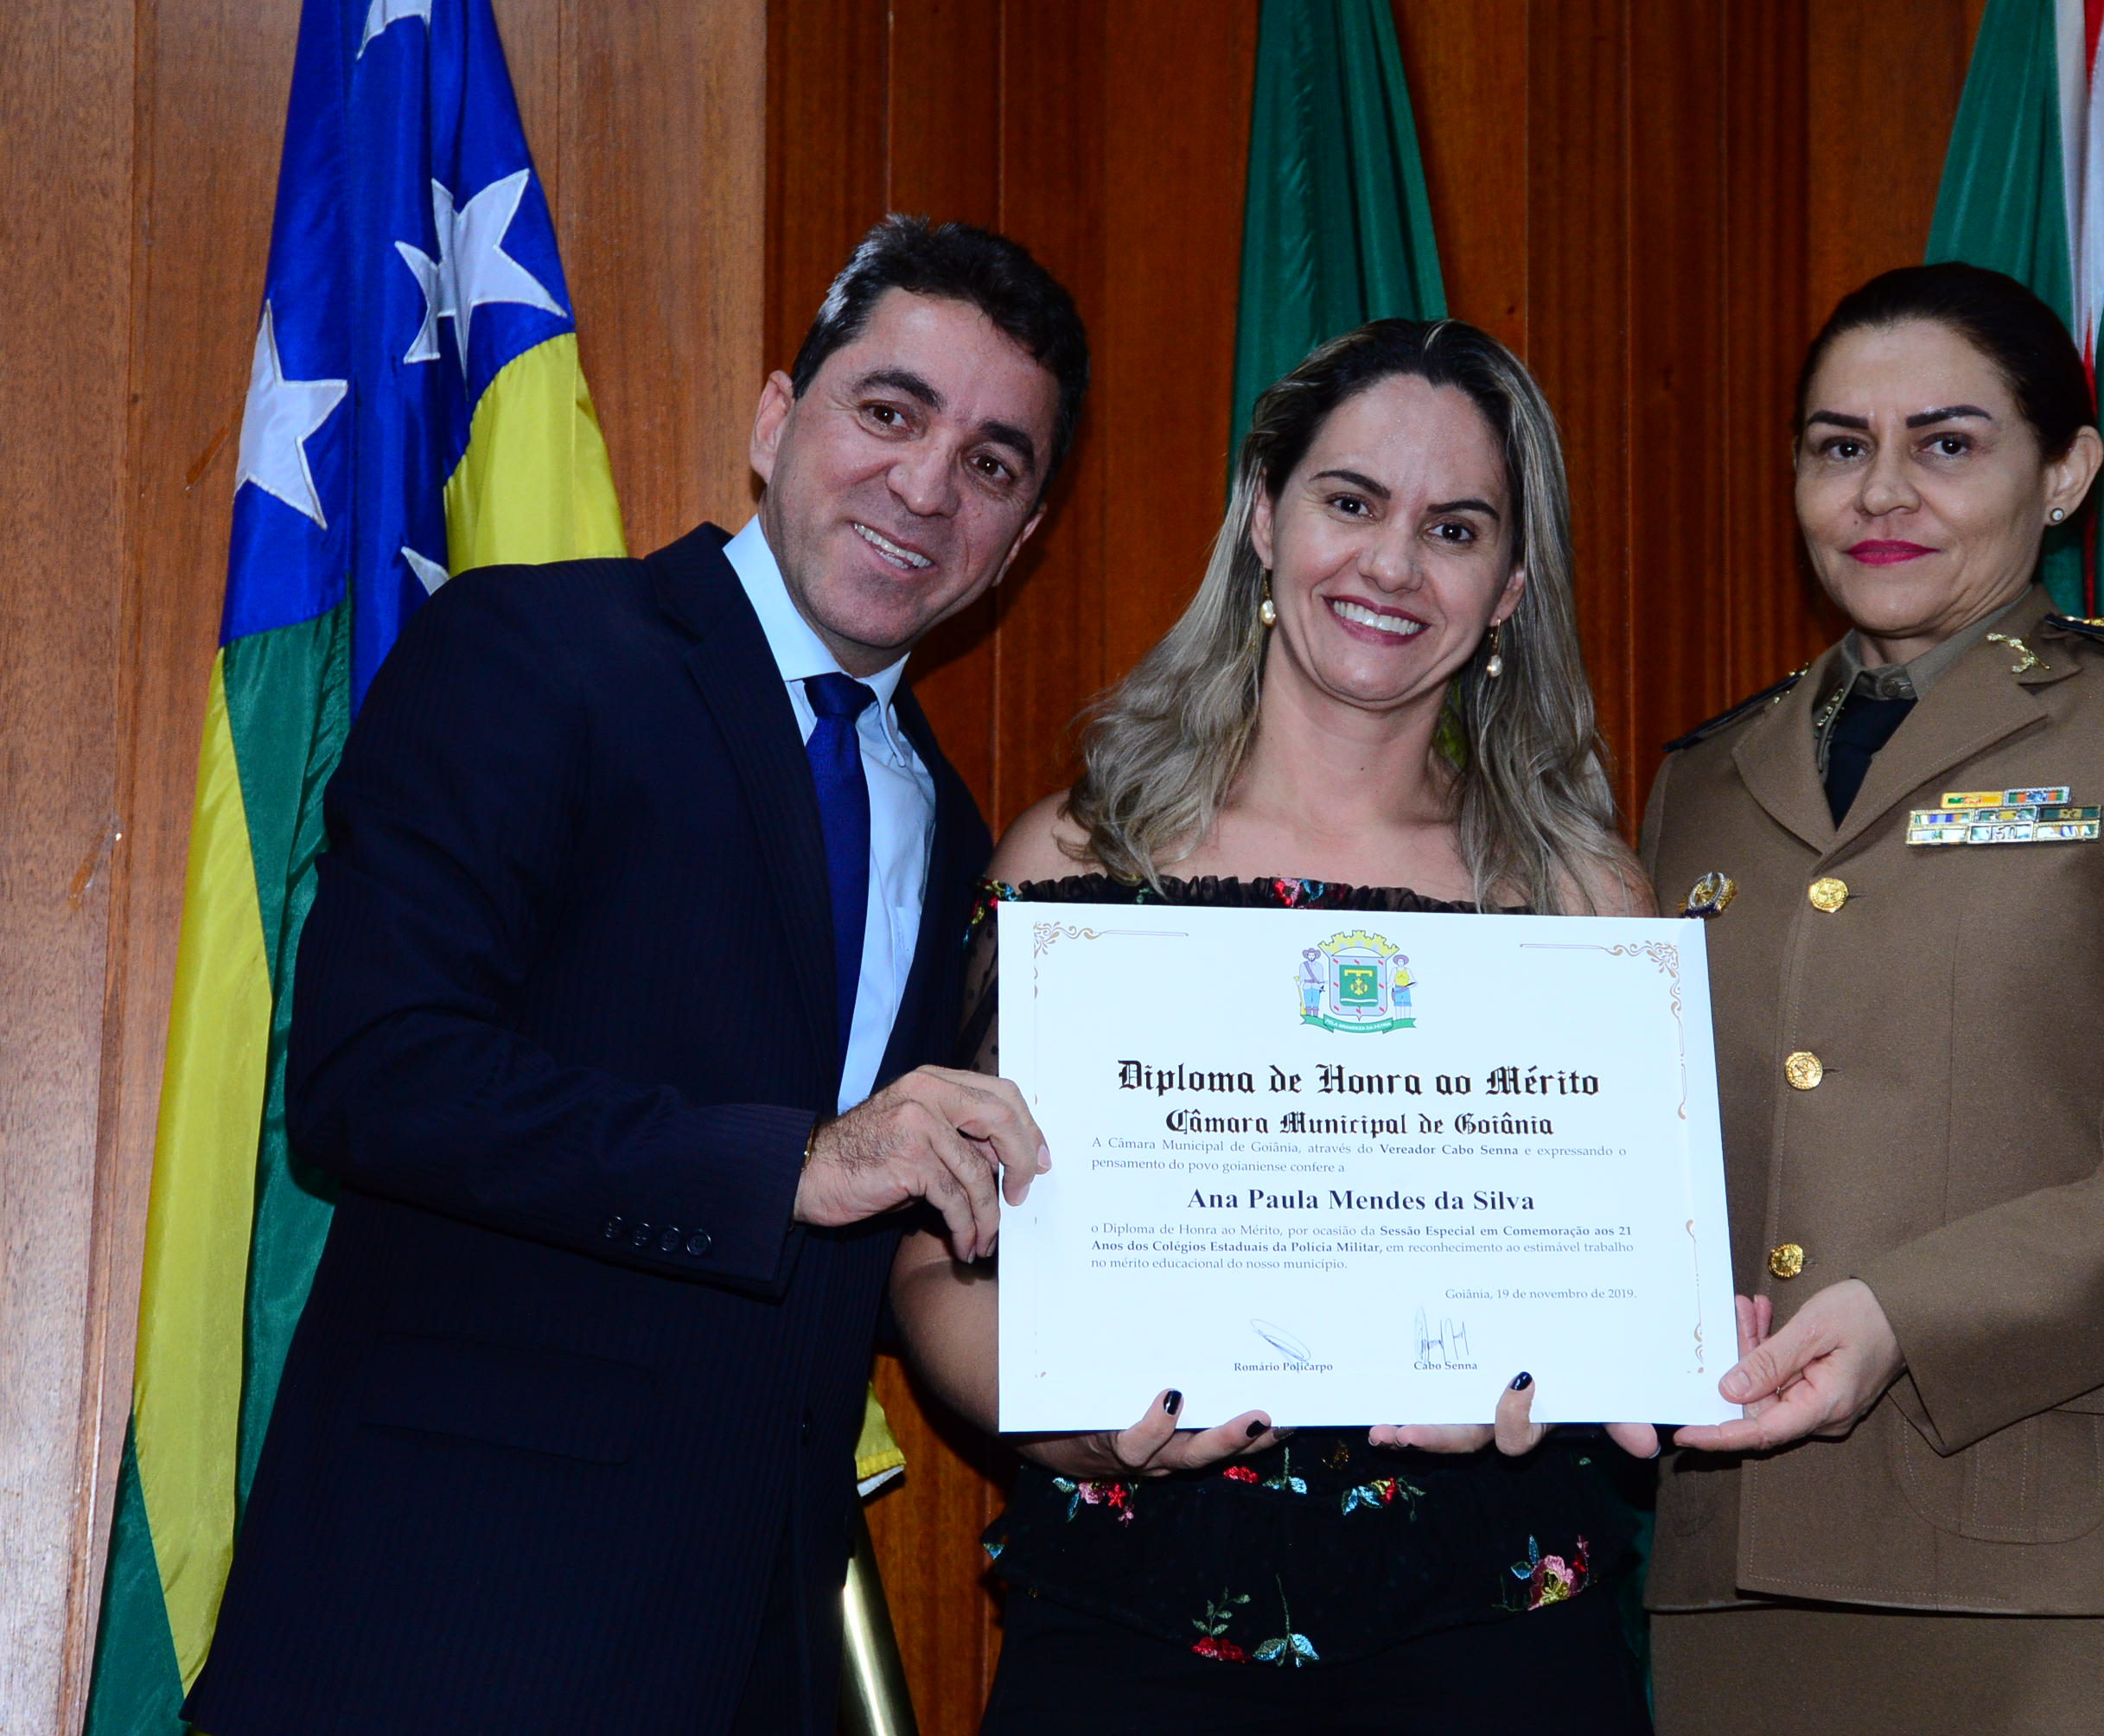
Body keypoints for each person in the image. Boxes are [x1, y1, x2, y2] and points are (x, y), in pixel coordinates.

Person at [187, 216, 1078, 1736]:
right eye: (890, 411)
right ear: (775, 420)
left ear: (1024, 536)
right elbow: (371, 1075)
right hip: (441, 1635)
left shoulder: (948, 819)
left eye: (992, 465)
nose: (929, 487)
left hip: (752, 1653)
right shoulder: (531, 650)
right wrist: (795, 1163)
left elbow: (893, 1238)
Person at [891, 318, 1658, 1733]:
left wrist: (1579, 1367)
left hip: (1496, 1631)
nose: (1391, 564)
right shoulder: (1079, 863)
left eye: (1455, 528)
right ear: (1262, 516)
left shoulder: (1580, 900)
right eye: (1350, 502)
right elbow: (940, 1252)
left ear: (1508, 586)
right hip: (1136, 1625)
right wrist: (1059, 1420)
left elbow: (1631, 1277)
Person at [1634, 262, 2104, 1734]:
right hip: (1736, 1587)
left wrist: (1912, 1313)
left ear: (2067, 473)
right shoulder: (1700, 781)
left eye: (1948, 443)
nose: (1881, 491)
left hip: (2075, 1591)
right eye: (1840, 446)